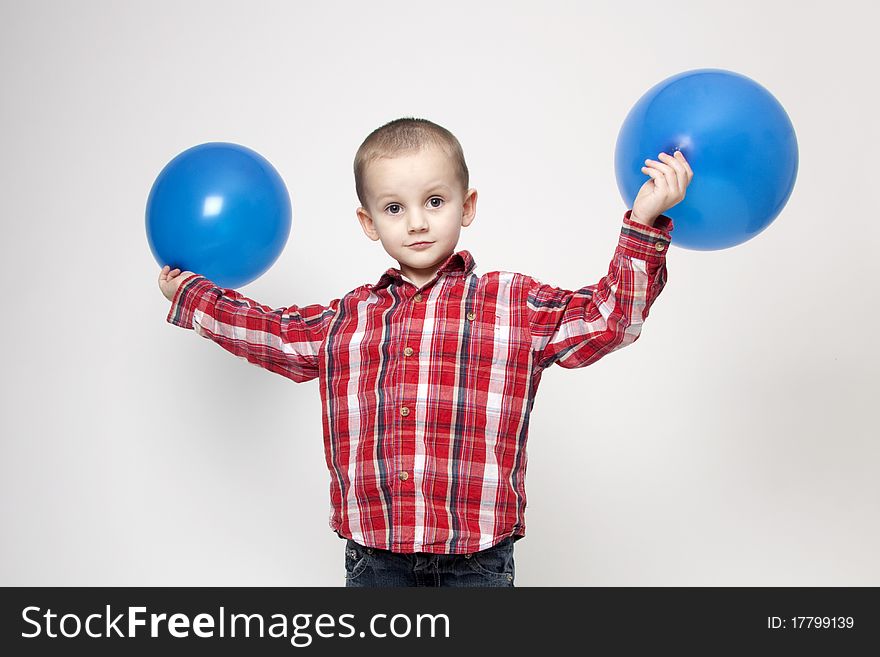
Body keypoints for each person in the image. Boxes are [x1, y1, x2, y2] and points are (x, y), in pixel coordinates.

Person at [158, 117, 693, 587]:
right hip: (376, 560)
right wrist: (191, 293)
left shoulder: (513, 302)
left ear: (468, 206)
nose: (417, 222)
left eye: (435, 201)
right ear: (369, 223)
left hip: (478, 562)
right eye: (394, 207)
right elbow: (270, 333)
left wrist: (643, 223)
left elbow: (612, 318)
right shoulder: (347, 319)